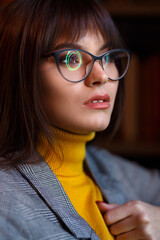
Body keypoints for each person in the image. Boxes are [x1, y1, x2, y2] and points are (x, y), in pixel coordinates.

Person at [0, 0, 160, 239]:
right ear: (21, 71)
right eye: (71, 58)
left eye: (106, 56)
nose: (101, 76)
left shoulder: (116, 172)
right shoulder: (6, 201)